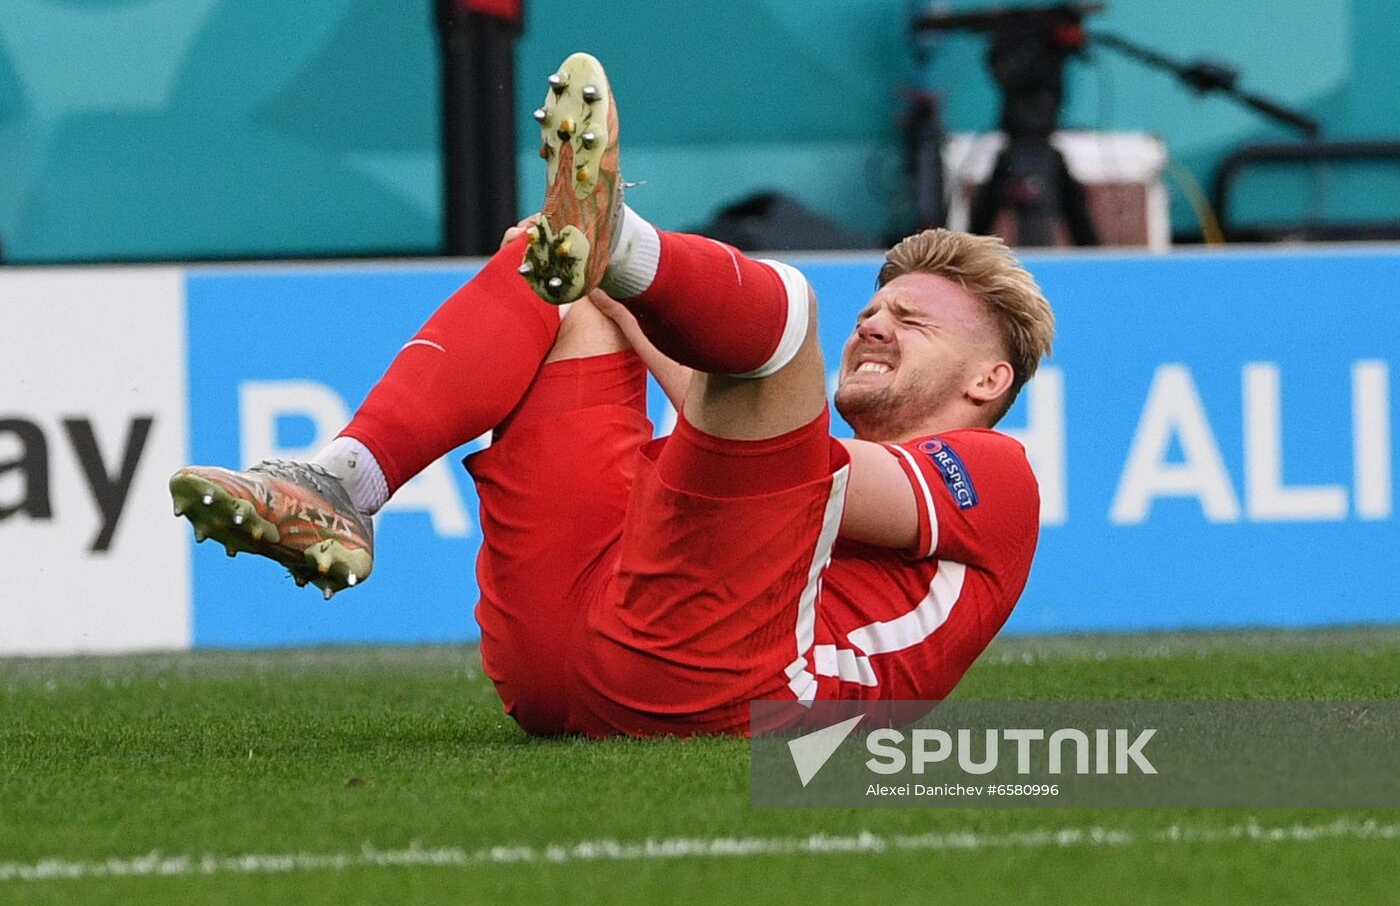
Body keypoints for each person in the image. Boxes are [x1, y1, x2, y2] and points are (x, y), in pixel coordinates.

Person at [171, 52, 1054, 737]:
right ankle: (344, 483)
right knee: (551, 283)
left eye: (915, 320)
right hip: (564, 659)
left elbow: (813, 485)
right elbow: (764, 463)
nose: (875, 325)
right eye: (879, 307)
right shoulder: (779, 450)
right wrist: (591, 279)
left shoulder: (998, 479)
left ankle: (620, 241)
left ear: (989, 379)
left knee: (786, 310)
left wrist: (619, 279)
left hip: (742, 693)